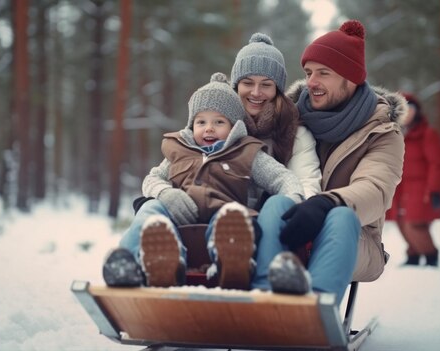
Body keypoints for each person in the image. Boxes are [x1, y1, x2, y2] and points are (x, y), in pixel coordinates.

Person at [251, 19, 407, 304]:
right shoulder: (289, 120)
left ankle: (316, 311)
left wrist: (326, 202)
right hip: (289, 223)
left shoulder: (381, 132)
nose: (311, 82)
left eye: (324, 73)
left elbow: (375, 190)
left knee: (341, 216)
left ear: (351, 79)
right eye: (308, 72)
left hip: (355, 237)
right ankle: (262, 303)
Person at [102, 72, 305, 290]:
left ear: (234, 126)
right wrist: (166, 194)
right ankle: (143, 262)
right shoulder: (179, 150)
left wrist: (294, 199)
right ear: (191, 125)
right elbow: (152, 179)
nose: (209, 128)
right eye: (201, 121)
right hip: (180, 220)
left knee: (231, 221)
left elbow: (282, 177)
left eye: (219, 121)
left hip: (224, 216)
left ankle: (230, 261)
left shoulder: (248, 152)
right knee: (150, 208)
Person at [230, 33, 322, 204]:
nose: (256, 92)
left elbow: (307, 184)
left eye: (266, 85)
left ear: (277, 90)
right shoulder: (215, 123)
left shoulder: (294, 132)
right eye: (248, 83)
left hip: (276, 218)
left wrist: (299, 211)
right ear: (236, 86)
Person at [386, 92, 440, 267]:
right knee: (401, 222)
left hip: (421, 189)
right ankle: (413, 254)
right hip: (400, 188)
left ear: (417, 111)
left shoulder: (428, 134)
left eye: (409, 108)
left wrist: (434, 189)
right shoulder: (393, 134)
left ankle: (430, 255)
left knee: (415, 224)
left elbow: (438, 164)